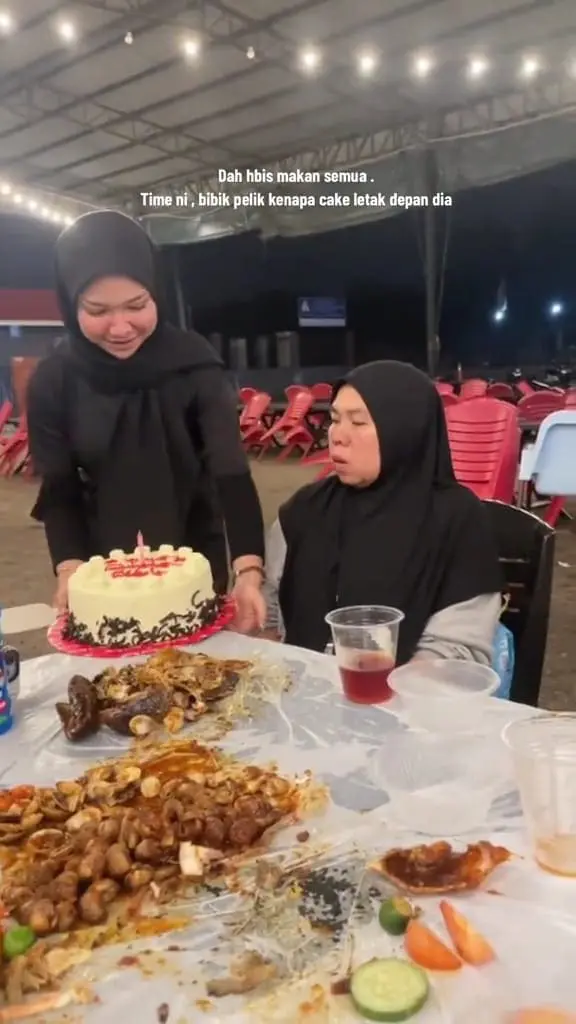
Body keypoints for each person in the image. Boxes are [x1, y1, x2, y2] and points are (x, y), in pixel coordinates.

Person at [27, 210, 266, 633]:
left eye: (137, 306)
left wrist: (248, 571)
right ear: (69, 302)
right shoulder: (54, 379)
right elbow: (59, 487)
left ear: (156, 294)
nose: (120, 327)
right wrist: (68, 569)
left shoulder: (195, 365)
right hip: (101, 567)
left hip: (194, 551)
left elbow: (230, 471)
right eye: (98, 310)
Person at [264, 360, 503, 664]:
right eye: (335, 419)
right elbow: (270, 613)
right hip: (300, 693)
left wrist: (380, 698)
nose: (337, 435)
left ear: (404, 431)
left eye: (359, 422)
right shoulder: (305, 510)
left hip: (409, 701)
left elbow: (455, 651)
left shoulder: (456, 518)